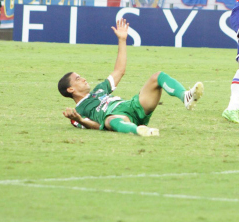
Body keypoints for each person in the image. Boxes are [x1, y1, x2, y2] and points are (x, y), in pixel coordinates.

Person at [60, 19, 204, 136]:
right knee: (110, 121)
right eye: (78, 79)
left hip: (132, 106)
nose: (83, 78)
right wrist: (80, 120)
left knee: (157, 77)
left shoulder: (99, 90)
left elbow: (119, 70)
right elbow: (97, 126)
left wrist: (122, 40)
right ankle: (140, 131)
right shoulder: (77, 113)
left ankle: (185, 96)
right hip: (118, 117)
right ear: (71, 89)